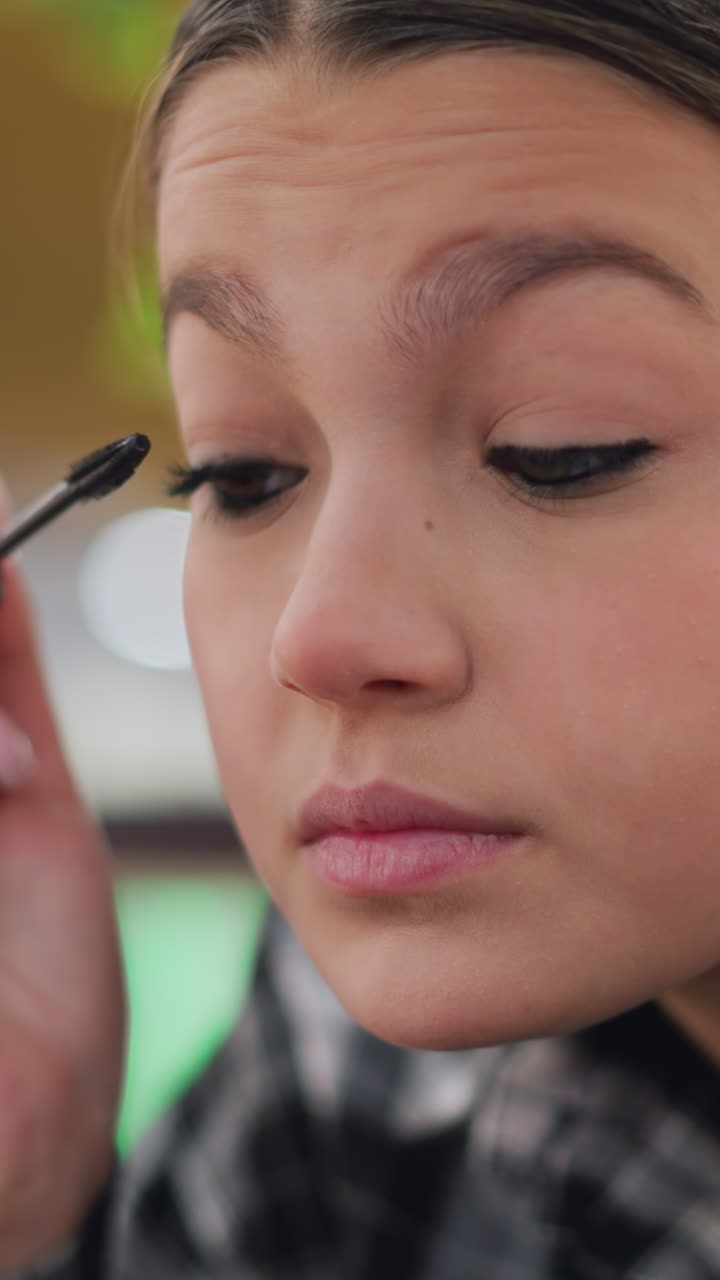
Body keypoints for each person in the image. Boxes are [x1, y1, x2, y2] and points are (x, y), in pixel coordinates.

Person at [2, 0, 720, 1274]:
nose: (317, 637)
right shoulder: (360, 1080)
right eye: (243, 472)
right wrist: (34, 1206)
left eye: (562, 449)